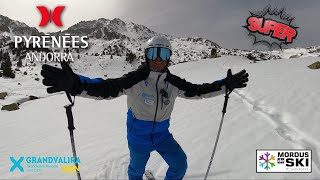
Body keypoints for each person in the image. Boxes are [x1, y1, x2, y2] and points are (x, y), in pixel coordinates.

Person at [41, 36, 249, 180]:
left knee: (180, 164)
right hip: (138, 136)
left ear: (169, 57)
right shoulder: (135, 79)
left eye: (163, 53)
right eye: (154, 53)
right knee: (135, 171)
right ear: (147, 55)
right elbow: (106, 87)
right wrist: (76, 84)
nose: (158, 58)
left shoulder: (173, 82)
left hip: (162, 134)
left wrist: (224, 85)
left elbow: (198, 91)